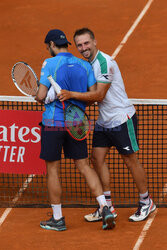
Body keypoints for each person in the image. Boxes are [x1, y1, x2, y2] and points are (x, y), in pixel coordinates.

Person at [56, 27, 156, 222]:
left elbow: (99, 95)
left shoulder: (104, 63)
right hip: (104, 120)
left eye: (86, 43)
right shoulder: (88, 65)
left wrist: (71, 95)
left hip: (121, 118)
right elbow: (92, 97)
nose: (83, 47)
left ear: (94, 42)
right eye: (79, 45)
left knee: (130, 160)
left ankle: (146, 202)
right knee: (97, 158)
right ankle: (107, 206)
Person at [35, 29, 115, 231]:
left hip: (53, 124)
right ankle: (105, 208)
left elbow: (41, 95)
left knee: (53, 170)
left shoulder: (49, 63)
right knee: (84, 166)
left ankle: (58, 219)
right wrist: (72, 99)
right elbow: (92, 95)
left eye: (48, 46)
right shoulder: (84, 65)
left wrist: (44, 94)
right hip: (76, 123)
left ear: (52, 45)